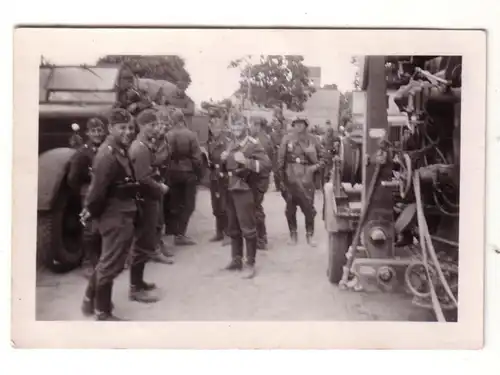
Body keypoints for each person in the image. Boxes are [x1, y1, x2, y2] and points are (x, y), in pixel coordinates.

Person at [80, 108, 139, 321]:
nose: (128, 132)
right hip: (114, 215)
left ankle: (89, 300)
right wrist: (93, 213)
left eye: (130, 127)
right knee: (110, 263)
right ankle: (102, 311)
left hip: (122, 211)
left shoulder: (118, 150)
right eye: (122, 128)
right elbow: (96, 192)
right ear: (111, 129)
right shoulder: (108, 154)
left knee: (108, 260)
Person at [127, 109, 172, 304]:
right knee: (143, 244)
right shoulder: (141, 148)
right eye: (152, 125)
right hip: (146, 200)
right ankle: (135, 288)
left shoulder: (141, 145)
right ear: (143, 126)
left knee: (145, 243)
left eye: (155, 125)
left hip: (146, 199)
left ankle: (139, 282)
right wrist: (160, 187)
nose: (155, 128)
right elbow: (143, 179)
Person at [221, 112, 271, 279]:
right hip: (230, 188)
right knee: (233, 227)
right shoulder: (230, 143)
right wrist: (223, 160)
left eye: (239, 125)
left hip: (244, 189)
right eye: (233, 126)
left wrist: (246, 162)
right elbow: (227, 165)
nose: (236, 129)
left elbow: (266, 165)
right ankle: (236, 260)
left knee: (248, 228)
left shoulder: (253, 144)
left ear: (246, 126)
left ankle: (250, 263)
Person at [67, 118, 107, 279]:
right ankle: (89, 262)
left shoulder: (106, 148)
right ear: (88, 133)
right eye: (94, 131)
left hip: (105, 193)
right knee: (90, 229)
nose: (97, 134)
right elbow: (73, 179)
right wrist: (86, 191)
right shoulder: (83, 153)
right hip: (89, 194)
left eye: (100, 130)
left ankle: (103, 261)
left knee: (105, 226)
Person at [277, 117, 326, 247]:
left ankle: (310, 235)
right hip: (291, 176)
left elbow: (323, 158)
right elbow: (280, 160)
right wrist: (281, 180)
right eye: (296, 124)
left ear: (306, 125)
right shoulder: (287, 139)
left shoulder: (313, 139)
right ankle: (293, 234)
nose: (299, 127)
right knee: (290, 209)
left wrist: (314, 168)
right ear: (293, 125)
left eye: (301, 124)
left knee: (308, 208)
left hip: (306, 177)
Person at [165, 108, 203, 246]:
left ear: (172, 120)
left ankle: (172, 230)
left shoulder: (168, 135)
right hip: (188, 172)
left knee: (174, 203)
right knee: (188, 204)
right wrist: (199, 175)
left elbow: (165, 156)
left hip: (172, 172)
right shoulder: (191, 135)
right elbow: (198, 159)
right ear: (183, 119)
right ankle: (180, 234)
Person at [249, 117, 274, 250]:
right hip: (262, 178)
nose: (250, 127)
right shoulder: (266, 138)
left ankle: (261, 238)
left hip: (258, 178)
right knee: (255, 206)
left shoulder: (259, 141)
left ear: (257, 125)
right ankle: (260, 236)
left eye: (251, 124)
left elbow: (263, 163)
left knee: (255, 207)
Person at [207, 114, 231, 245]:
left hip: (224, 177)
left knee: (225, 205)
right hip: (214, 177)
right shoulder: (210, 142)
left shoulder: (226, 142)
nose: (214, 130)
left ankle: (228, 234)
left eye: (217, 127)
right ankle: (219, 232)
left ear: (221, 128)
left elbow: (229, 160)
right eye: (212, 127)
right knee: (216, 205)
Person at [269, 107, 287, 195]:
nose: (278, 127)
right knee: (276, 170)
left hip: (283, 153)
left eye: (279, 126)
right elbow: (271, 144)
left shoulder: (284, 133)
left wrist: (282, 147)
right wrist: (275, 147)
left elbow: (286, 141)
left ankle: (283, 185)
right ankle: (277, 186)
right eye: (276, 126)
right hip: (276, 153)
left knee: (283, 169)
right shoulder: (272, 134)